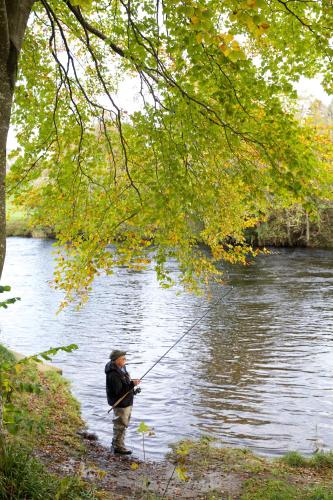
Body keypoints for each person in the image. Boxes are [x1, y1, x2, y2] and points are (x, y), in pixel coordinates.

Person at [105, 349, 141, 455]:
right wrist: (132, 384)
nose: (125, 360)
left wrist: (132, 387)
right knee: (120, 424)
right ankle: (118, 447)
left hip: (126, 402)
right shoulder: (113, 374)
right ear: (116, 360)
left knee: (123, 424)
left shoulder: (121, 368)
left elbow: (124, 384)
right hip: (120, 404)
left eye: (125, 358)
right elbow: (119, 391)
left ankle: (117, 443)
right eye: (123, 358)